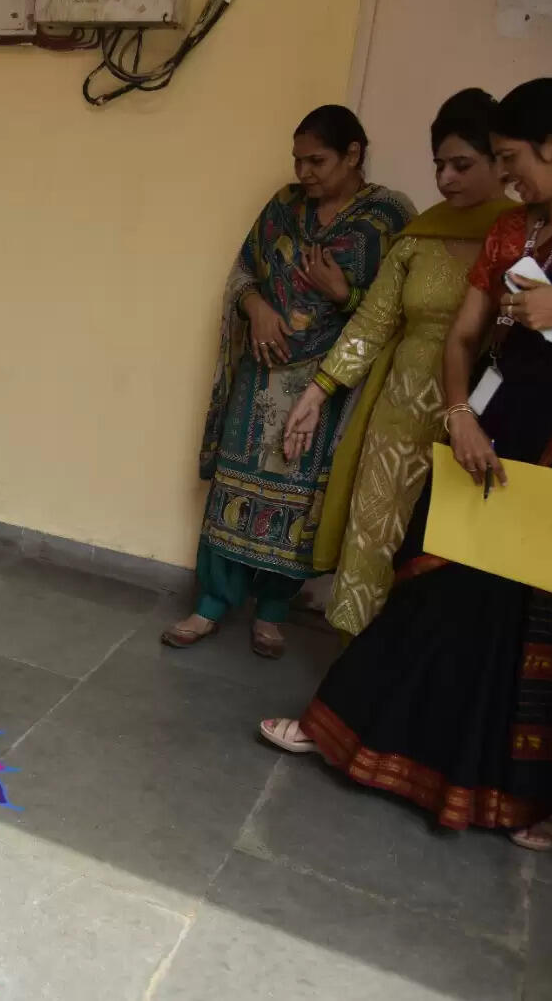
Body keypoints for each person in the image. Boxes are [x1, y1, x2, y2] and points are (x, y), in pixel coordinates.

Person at [259, 79, 552, 856]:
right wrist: (463, 412)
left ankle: (537, 798)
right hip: (490, 436)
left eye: (509, 158)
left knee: (534, 628)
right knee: (428, 583)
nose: (506, 177)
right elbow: (460, 333)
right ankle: (343, 727)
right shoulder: (521, 229)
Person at [165, 106, 414, 657]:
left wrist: (342, 294)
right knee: (234, 486)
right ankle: (211, 604)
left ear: (353, 154)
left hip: (325, 384)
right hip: (260, 374)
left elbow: (392, 310)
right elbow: (243, 271)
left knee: (301, 498)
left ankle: (273, 611)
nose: (303, 172)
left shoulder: (387, 218)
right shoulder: (284, 205)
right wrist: (255, 307)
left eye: (316, 161)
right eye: (298, 160)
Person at [282, 89, 515, 636]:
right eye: (439, 165)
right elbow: (374, 323)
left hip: (481, 420)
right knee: (375, 539)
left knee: (445, 554)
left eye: (462, 165)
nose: (446, 179)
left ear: (502, 163)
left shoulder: (522, 237)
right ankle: (353, 669)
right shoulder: (421, 235)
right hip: (398, 419)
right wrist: (317, 393)